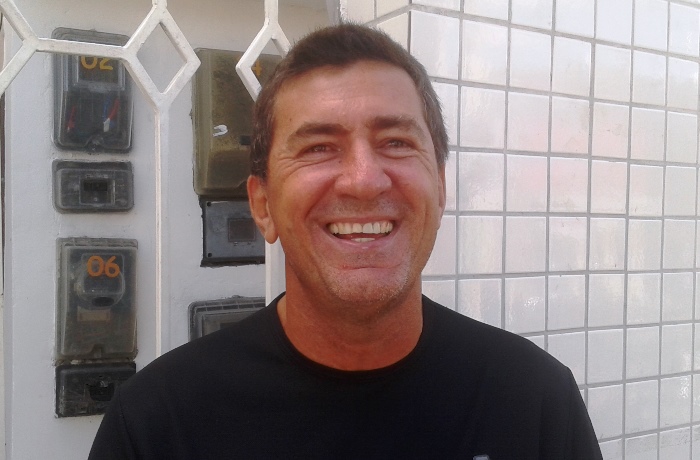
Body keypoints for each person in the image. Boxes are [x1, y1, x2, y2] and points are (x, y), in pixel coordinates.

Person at [89, 23, 603, 459]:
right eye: (318, 147)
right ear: (263, 206)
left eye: (396, 142)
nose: (364, 180)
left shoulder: (535, 403)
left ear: (440, 187)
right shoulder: (158, 426)